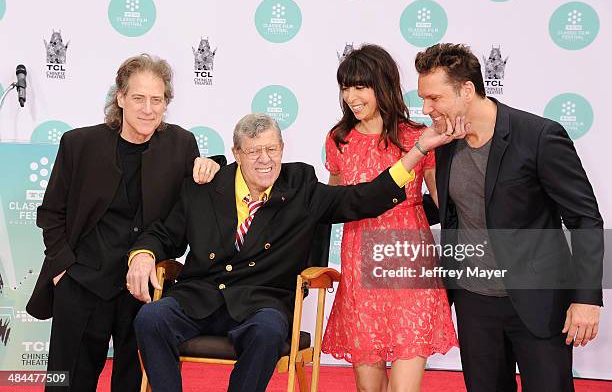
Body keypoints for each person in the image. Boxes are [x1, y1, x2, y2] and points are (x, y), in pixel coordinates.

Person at [127, 112, 458, 392]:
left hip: (261, 303)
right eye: (254, 151)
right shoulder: (204, 188)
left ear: (283, 148)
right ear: (236, 153)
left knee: (269, 331)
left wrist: (416, 151)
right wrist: (143, 254)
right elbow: (164, 234)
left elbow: (362, 198)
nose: (265, 159)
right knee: (150, 318)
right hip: (199, 296)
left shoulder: (301, 189)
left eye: (272, 149)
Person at [26, 53, 226, 391]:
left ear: (166, 103)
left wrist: (213, 164)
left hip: (143, 288)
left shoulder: (181, 145)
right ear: (120, 98)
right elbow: (50, 214)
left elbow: (197, 195)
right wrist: (64, 270)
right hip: (81, 280)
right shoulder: (79, 144)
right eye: (138, 98)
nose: (148, 108)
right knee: (66, 381)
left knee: (132, 381)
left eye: (157, 99)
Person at [414, 43, 603, 391]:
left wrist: (586, 298)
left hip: (539, 302)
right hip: (474, 305)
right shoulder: (446, 144)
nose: (426, 108)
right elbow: (451, 209)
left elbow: (585, 219)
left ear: (467, 90)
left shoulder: (539, 136)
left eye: (434, 98)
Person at [321, 44, 457, 392]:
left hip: (409, 268)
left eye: (359, 86)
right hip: (360, 269)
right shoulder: (339, 141)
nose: (351, 96)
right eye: (345, 87)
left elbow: (444, 203)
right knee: (369, 388)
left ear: (382, 85)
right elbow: (333, 205)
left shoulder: (418, 136)